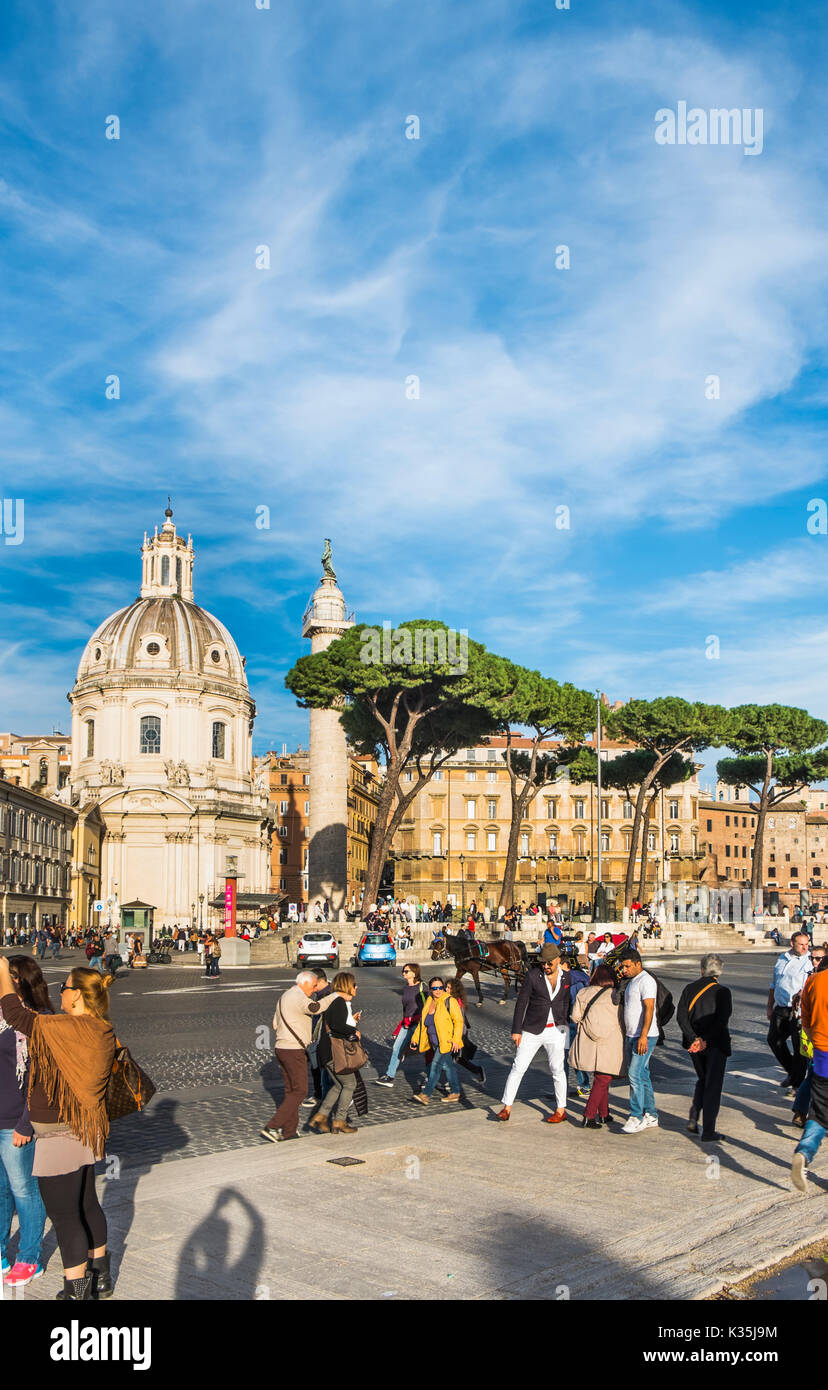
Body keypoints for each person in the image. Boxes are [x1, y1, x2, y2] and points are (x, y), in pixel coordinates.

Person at [0, 958, 116, 1301]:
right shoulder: (101, 1028)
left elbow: (16, 1015)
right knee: (87, 1205)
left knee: (66, 1219)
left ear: (77, 996)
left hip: (59, 1137)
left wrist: (2, 973)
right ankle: (102, 1276)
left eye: (64, 988)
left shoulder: (68, 1028)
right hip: (85, 1131)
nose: (60, 993)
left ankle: (77, 1291)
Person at [0, 956, 49, 1288]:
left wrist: (26, 1124)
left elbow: (42, 1079)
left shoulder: (36, 1021)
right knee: (0, 1192)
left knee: (24, 1191)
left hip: (15, 1122)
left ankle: (30, 1257)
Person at [494, 945, 570, 1124]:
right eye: (543, 963)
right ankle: (506, 1107)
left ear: (558, 960)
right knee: (518, 1067)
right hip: (532, 1029)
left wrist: (565, 1026)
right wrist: (516, 1030)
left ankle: (561, 1110)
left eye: (549, 963)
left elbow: (566, 1002)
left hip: (557, 1029)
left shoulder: (567, 977)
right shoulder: (533, 976)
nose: (546, 966)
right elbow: (521, 1003)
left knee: (557, 1069)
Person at [676, 954, 732, 1143]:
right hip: (715, 1044)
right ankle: (708, 1130)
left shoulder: (689, 988)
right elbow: (721, 1021)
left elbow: (681, 1017)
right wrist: (704, 1040)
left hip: (694, 1046)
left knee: (702, 1079)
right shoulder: (722, 992)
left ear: (701, 969)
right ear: (720, 971)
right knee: (713, 1086)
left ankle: (693, 1116)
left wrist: (693, 1038)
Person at [260, 970, 320, 1143]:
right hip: (293, 1050)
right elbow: (315, 1009)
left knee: (291, 1091)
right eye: (314, 986)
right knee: (300, 1090)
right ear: (305, 983)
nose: (315, 990)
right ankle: (272, 1126)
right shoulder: (299, 997)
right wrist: (333, 997)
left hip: (281, 1047)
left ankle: (289, 1131)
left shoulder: (285, 996)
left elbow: (274, 1023)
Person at [309, 972, 365, 1134]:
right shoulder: (339, 1002)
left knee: (339, 1084)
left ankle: (320, 1116)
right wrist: (354, 1031)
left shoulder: (334, 1000)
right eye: (354, 985)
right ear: (348, 986)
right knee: (350, 1084)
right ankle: (340, 1120)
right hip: (334, 1051)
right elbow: (338, 1026)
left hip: (326, 1051)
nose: (356, 988)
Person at [570, 962, 625, 1128]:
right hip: (609, 1041)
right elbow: (622, 1019)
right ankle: (589, 1115)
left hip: (588, 1041)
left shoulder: (583, 992)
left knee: (601, 1078)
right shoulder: (615, 995)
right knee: (604, 1077)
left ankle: (604, 1113)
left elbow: (575, 1016)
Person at [792, 949, 828, 1191]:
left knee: (820, 1113)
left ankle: (804, 1152)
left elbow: (804, 1019)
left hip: (822, 1054)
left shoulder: (814, 981)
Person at [618, 949, 660, 1134]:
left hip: (645, 1036)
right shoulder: (631, 982)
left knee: (634, 1074)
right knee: (642, 1075)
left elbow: (649, 1008)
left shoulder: (646, 981)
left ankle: (636, 1115)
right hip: (632, 1034)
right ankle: (651, 1114)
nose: (624, 969)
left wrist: (643, 1035)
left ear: (637, 964)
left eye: (627, 966)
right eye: (622, 966)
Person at [767, 931, 812, 1092]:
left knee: (798, 1046)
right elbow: (774, 984)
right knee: (774, 1040)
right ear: (792, 944)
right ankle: (793, 1073)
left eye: (807, 943)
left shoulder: (809, 962)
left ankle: (797, 1084)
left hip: (798, 1010)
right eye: (802, 944)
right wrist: (769, 1006)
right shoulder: (782, 959)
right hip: (780, 1008)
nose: (805, 947)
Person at [410, 976, 464, 1105]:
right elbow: (423, 1024)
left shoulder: (449, 1001)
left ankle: (426, 1094)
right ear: (430, 989)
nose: (438, 990)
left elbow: (459, 1021)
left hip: (447, 1042)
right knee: (448, 1066)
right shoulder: (429, 1001)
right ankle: (455, 1092)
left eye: (441, 987)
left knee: (435, 1066)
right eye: (435, 988)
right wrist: (415, 1039)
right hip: (434, 1042)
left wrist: (456, 1039)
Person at [375, 963, 428, 1087]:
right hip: (407, 1024)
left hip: (419, 1024)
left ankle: (432, 1077)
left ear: (414, 973)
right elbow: (405, 1009)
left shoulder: (422, 987)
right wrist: (399, 1027)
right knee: (396, 1049)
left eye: (406, 971)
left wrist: (419, 1019)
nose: (403, 973)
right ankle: (389, 1076)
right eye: (403, 971)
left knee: (425, 1050)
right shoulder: (406, 988)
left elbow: (427, 1007)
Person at [792, 944, 828, 1125]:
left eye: (819, 958)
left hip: (813, 1031)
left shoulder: (813, 978)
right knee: (814, 1074)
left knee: (814, 1074)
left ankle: (800, 1110)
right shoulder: (810, 977)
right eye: (812, 958)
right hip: (813, 1033)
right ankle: (804, 1113)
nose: (814, 961)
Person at [560, 956, 591, 1097]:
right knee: (575, 1055)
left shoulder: (569, 980)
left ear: (565, 964)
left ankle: (563, 1086)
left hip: (568, 1022)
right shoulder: (581, 977)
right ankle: (583, 1084)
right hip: (577, 1022)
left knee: (563, 1056)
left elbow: (571, 1004)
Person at [446, 977, 486, 1084]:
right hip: (453, 1034)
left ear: (455, 990)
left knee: (451, 1058)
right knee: (456, 1058)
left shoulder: (456, 1002)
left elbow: (461, 1021)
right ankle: (477, 1070)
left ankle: (449, 1082)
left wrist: (459, 1038)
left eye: (449, 988)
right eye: (446, 987)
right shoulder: (450, 1000)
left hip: (458, 1035)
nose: (446, 989)